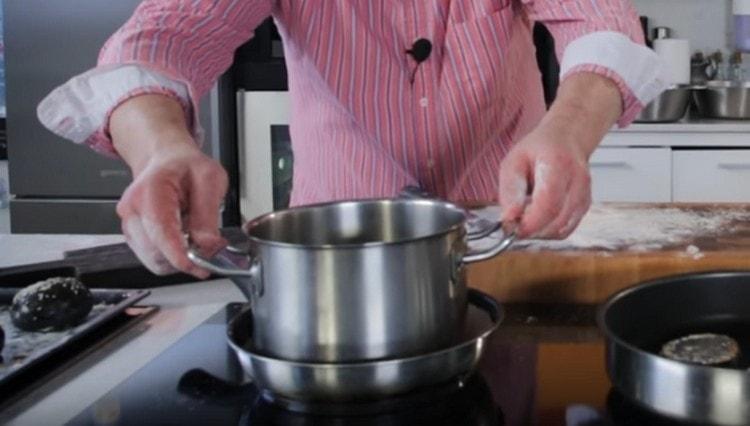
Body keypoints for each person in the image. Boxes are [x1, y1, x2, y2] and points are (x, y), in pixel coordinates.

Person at [38, 0, 665, 278]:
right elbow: (159, 39)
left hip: (499, 237)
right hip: (334, 258)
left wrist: (566, 130)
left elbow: (602, 23)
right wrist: (161, 150)